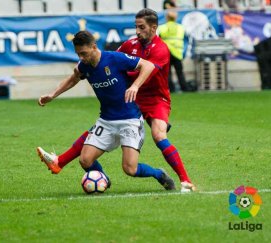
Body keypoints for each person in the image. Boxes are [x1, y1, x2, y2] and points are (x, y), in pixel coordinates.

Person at [38, 9, 195, 193]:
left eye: (141, 27)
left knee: (152, 144)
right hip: (115, 111)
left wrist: (134, 86)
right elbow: (81, 74)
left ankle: (181, 179)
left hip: (152, 98)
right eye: (136, 27)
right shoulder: (117, 51)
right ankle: (96, 177)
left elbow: (147, 66)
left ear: (153, 27)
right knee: (85, 159)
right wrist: (53, 94)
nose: (137, 31)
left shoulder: (160, 49)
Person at [159, 10, 187, 92]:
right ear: (175, 18)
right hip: (177, 52)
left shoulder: (162, 27)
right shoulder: (181, 27)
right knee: (180, 72)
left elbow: (158, 38)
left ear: (167, 17)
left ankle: (171, 89)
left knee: (168, 73)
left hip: (166, 52)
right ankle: (184, 88)